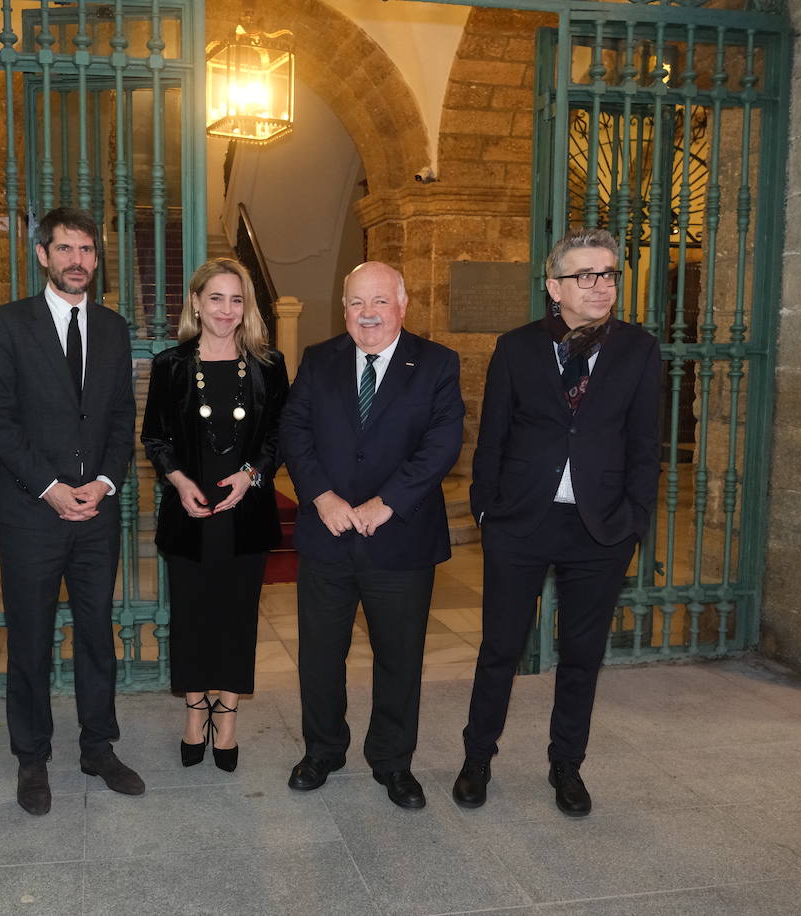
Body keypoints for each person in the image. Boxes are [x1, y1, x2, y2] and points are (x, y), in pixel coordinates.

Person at [453, 227, 661, 817]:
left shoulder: (638, 349)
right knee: (499, 647)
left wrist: (634, 520)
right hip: (521, 520)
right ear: (554, 288)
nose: (601, 286)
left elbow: (645, 444)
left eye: (609, 274)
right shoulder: (516, 347)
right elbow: (491, 436)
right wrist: (487, 510)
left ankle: (566, 765)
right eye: (585, 276)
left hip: (601, 527)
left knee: (581, 653)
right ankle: (477, 758)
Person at [281, 261, 464, 810]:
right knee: (319, 654)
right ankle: (323, 751)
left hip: (400, 537)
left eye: (380, 301)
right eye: (357, 303)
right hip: (328, 534)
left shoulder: (436, 363)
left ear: (403, 305)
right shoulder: (319, 360)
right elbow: (293, 430)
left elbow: (443, 442)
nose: (368, 314)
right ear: (344, 309)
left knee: (399, 658)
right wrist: (322, 496)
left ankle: (392, 761)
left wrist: (389, 502)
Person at [0, 206, 142, 816]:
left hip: (96, 515)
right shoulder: (8, 325)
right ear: (43, 255)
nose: (78, 261)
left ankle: (99, 747)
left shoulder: (114, 327)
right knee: (31, 640)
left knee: (97, 636)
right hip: (30, 513)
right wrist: (50, 486)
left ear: (97, 260)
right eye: (66, 249)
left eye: (88, 251)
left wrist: (103, 483)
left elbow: (122, 416)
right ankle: (32, 757)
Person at [141, 258, 289, 773]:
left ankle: (226, 714)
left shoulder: (269, 365)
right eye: (217, 298)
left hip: (244, 513)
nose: (226, 310)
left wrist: (251, 475)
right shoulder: (171, 365)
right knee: (192, 617)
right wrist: (179, 482)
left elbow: (277, 437)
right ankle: (194, 709)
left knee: (236, 617)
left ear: (245, 306)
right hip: (190, 513)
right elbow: (154, 437)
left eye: (236, 299)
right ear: (197, 303)